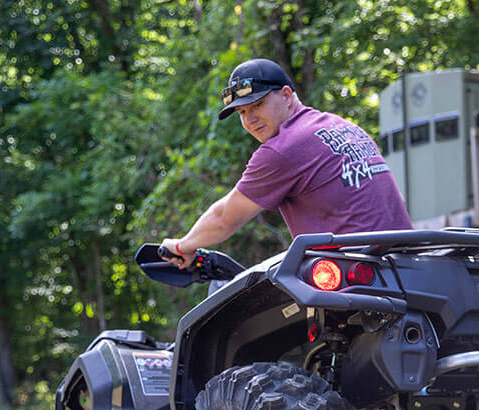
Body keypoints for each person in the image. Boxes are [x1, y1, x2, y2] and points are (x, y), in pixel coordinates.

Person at [161, 58, 411, 268]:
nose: (250, 120)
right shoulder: (342, 127)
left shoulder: (283, 148)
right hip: (408, 264)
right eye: (242, 113)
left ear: (287, 95)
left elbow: (224, 218)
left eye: (257, 105)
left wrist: (182, 246)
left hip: (356, 275)